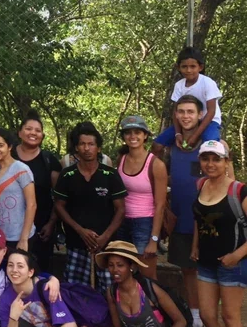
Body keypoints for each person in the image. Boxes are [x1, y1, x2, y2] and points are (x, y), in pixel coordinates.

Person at [83, 241, 185, 327]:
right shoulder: (112, 292)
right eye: (111, 265)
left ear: (131, 266)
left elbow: (181, 321)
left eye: (120, 265)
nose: (115, 270)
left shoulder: (149, 289)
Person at [191, 140, 247, 327]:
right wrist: (194, 246)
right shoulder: (201, 184)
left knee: (230, 316)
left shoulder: (239, 191)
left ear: (226, 162)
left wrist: (237, 255)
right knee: (206, 314)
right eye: (206, 159)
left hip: (233, 263)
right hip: (206, 260)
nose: (210, 164)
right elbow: (199, 219)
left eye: (216, 159)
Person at [54, 122, 127, 292]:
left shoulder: (110, 175)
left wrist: (104, 237)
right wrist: (80, 230)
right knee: (74, 291)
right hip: (76, 244)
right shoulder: (67, 175)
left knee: (110, 291)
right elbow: (59, 206)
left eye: (91, 144)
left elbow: (121, 210)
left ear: (98, 148)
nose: (87, 148)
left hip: (106, 247)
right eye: (82, 144)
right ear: (76, 148)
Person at [166, 95, 213, 327]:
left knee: (207, 273)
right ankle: (195, 321)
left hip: (208, 222)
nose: (185, 116)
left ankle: (208, 325)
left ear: (199, 115)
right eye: (181, 111)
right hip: (180, 218)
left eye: (190, 112)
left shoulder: (210, 143)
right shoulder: (173, 143)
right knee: (187, 271)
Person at [115, 116, 167, 279]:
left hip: (145, 222)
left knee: (147, 274)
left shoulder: (156, 165)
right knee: (122, 272)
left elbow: (160, 205)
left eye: (137, 132)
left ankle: (152, 304)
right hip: (122, 221)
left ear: (145, 136)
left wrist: (153, 239)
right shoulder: (121, 159)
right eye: (128, 133)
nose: (133, 136)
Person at [12, 110, 62, 274]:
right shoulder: (8, 155)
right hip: (10, 226)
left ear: (42, 135)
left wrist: (51, 224)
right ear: (20, 132)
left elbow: (58, 196)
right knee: (13, 269)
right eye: (28, 128)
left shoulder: (49, 161)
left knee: (40, 271)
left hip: (41, 228)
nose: (33, 133)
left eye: (37, 130)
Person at [153, 46, 222, 155]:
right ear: (178, 67)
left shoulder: (208, 83)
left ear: (200, 67)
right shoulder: (179, 85)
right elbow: (175, 111)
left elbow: (211, 111)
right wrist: (178, 134)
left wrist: (195, 135)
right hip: (187, 120)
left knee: (211, 147)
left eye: (192, 66)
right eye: (184, 66)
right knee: (157, 145)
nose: (188, 70)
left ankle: (221, 170)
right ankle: (160, 169)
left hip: (209, 120)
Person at [0, 128, 37, 251]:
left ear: (9, 147)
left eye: (0, 145)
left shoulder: (21, 169)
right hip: (4, 234)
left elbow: (31, 205)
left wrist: (23, 239)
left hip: (22, 236)